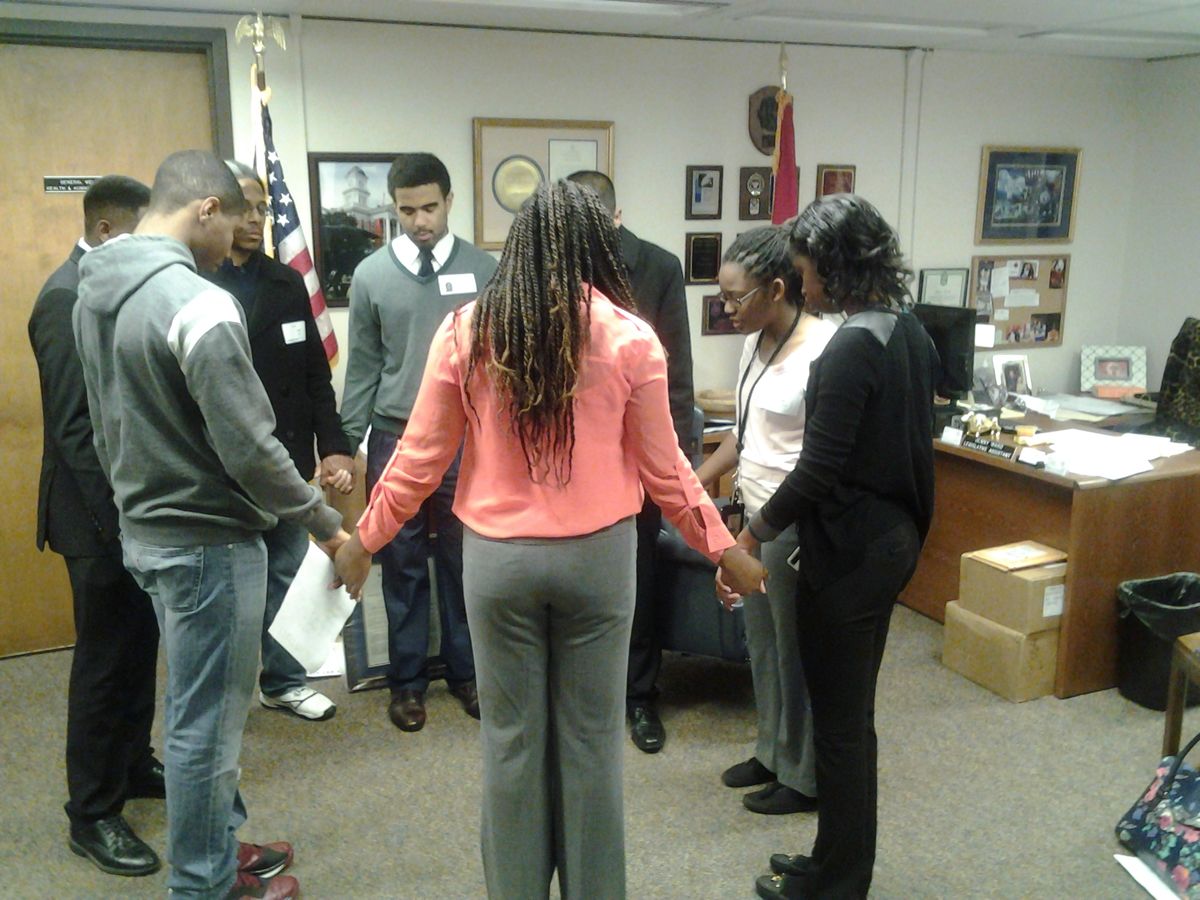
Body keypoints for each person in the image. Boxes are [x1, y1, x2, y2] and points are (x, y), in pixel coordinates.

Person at [334, 180, 763, 899]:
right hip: (598, 561)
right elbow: (669, 472)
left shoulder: (466, 330)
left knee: (510, 744)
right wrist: (725, 548)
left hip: (497, 564)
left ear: (519, 246)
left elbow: (418, 458)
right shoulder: (630, 339)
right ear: (600, 246)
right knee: (592, 744)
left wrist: (363, 540)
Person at [73, 149, 349, 900]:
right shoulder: (197, 303)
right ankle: (204, 884)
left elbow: (102, 423)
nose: (237, 241)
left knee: (193, 708)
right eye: (232, 223)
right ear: (205, 209)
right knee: (208, 730)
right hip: (209, 543)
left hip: (151, 533)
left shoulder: (93, 287)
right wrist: (328, 525)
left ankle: (219, 843)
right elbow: (252, 448)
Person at [718, 195, 935, 899]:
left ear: (836, 270)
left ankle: (839, 881)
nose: (804, 286)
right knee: (850, 722)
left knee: (841, 729)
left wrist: (748, 536)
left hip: (849, 555)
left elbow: (818, 469)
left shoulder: (847, 349)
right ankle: (829, 856)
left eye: (809, 274)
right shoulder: (907, 331)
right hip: (888, 543)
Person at [29, 175, 164, 877]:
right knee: (104, 662)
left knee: (140, 646)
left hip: (128, 511)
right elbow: (77, 434)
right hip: (94, 518)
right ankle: (91, 814)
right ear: (111, 232)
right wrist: (122, 525)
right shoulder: (63, 298)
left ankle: (133, 764)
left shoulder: (109, 288)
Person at [340, 152, 498, 732]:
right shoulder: (371, 276)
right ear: (393, 207)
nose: (419, 220)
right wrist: (344, 444)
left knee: (464, 557)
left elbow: (498, 362)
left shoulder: (485, 270)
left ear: (450, 201)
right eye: (406, 210)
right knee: (400, 559)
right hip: (394, 434)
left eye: (429, 207)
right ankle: (407, 682)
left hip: (467, 435)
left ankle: (467, 672)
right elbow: (363, 368)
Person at [695, 226, 837, 816]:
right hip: (753, 517)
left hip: (794, 524)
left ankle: (804, 777)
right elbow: (743, 435)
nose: (726, 310)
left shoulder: (827, 349)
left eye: (735, 298)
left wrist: (762, 526)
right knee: (762, 644)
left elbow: (825, 458)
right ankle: (771, 751)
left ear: (777, 288)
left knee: (795, 651)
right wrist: (691, 482)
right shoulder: (754, 343)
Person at [208, 161, 355, 722]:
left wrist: (335, 446)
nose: (255, 218)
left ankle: (284, 680)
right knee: (229, 589)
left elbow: (317, 377)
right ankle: (221, 696)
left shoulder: (287, 282)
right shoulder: (199, 282)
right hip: (225, 467)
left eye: (263, 207)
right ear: (216, 207)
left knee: (288, 575)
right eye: (244, 205)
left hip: (289, 459)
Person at [566, 169, 694, 754]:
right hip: (567, 458)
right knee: (574, 581)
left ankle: (640, 695)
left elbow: (677, 374)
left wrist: (676, 468)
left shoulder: (660, 267)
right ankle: (581, 694)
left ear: (616, 218)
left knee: (636, 579)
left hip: (635, 456)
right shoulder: (553, 267)